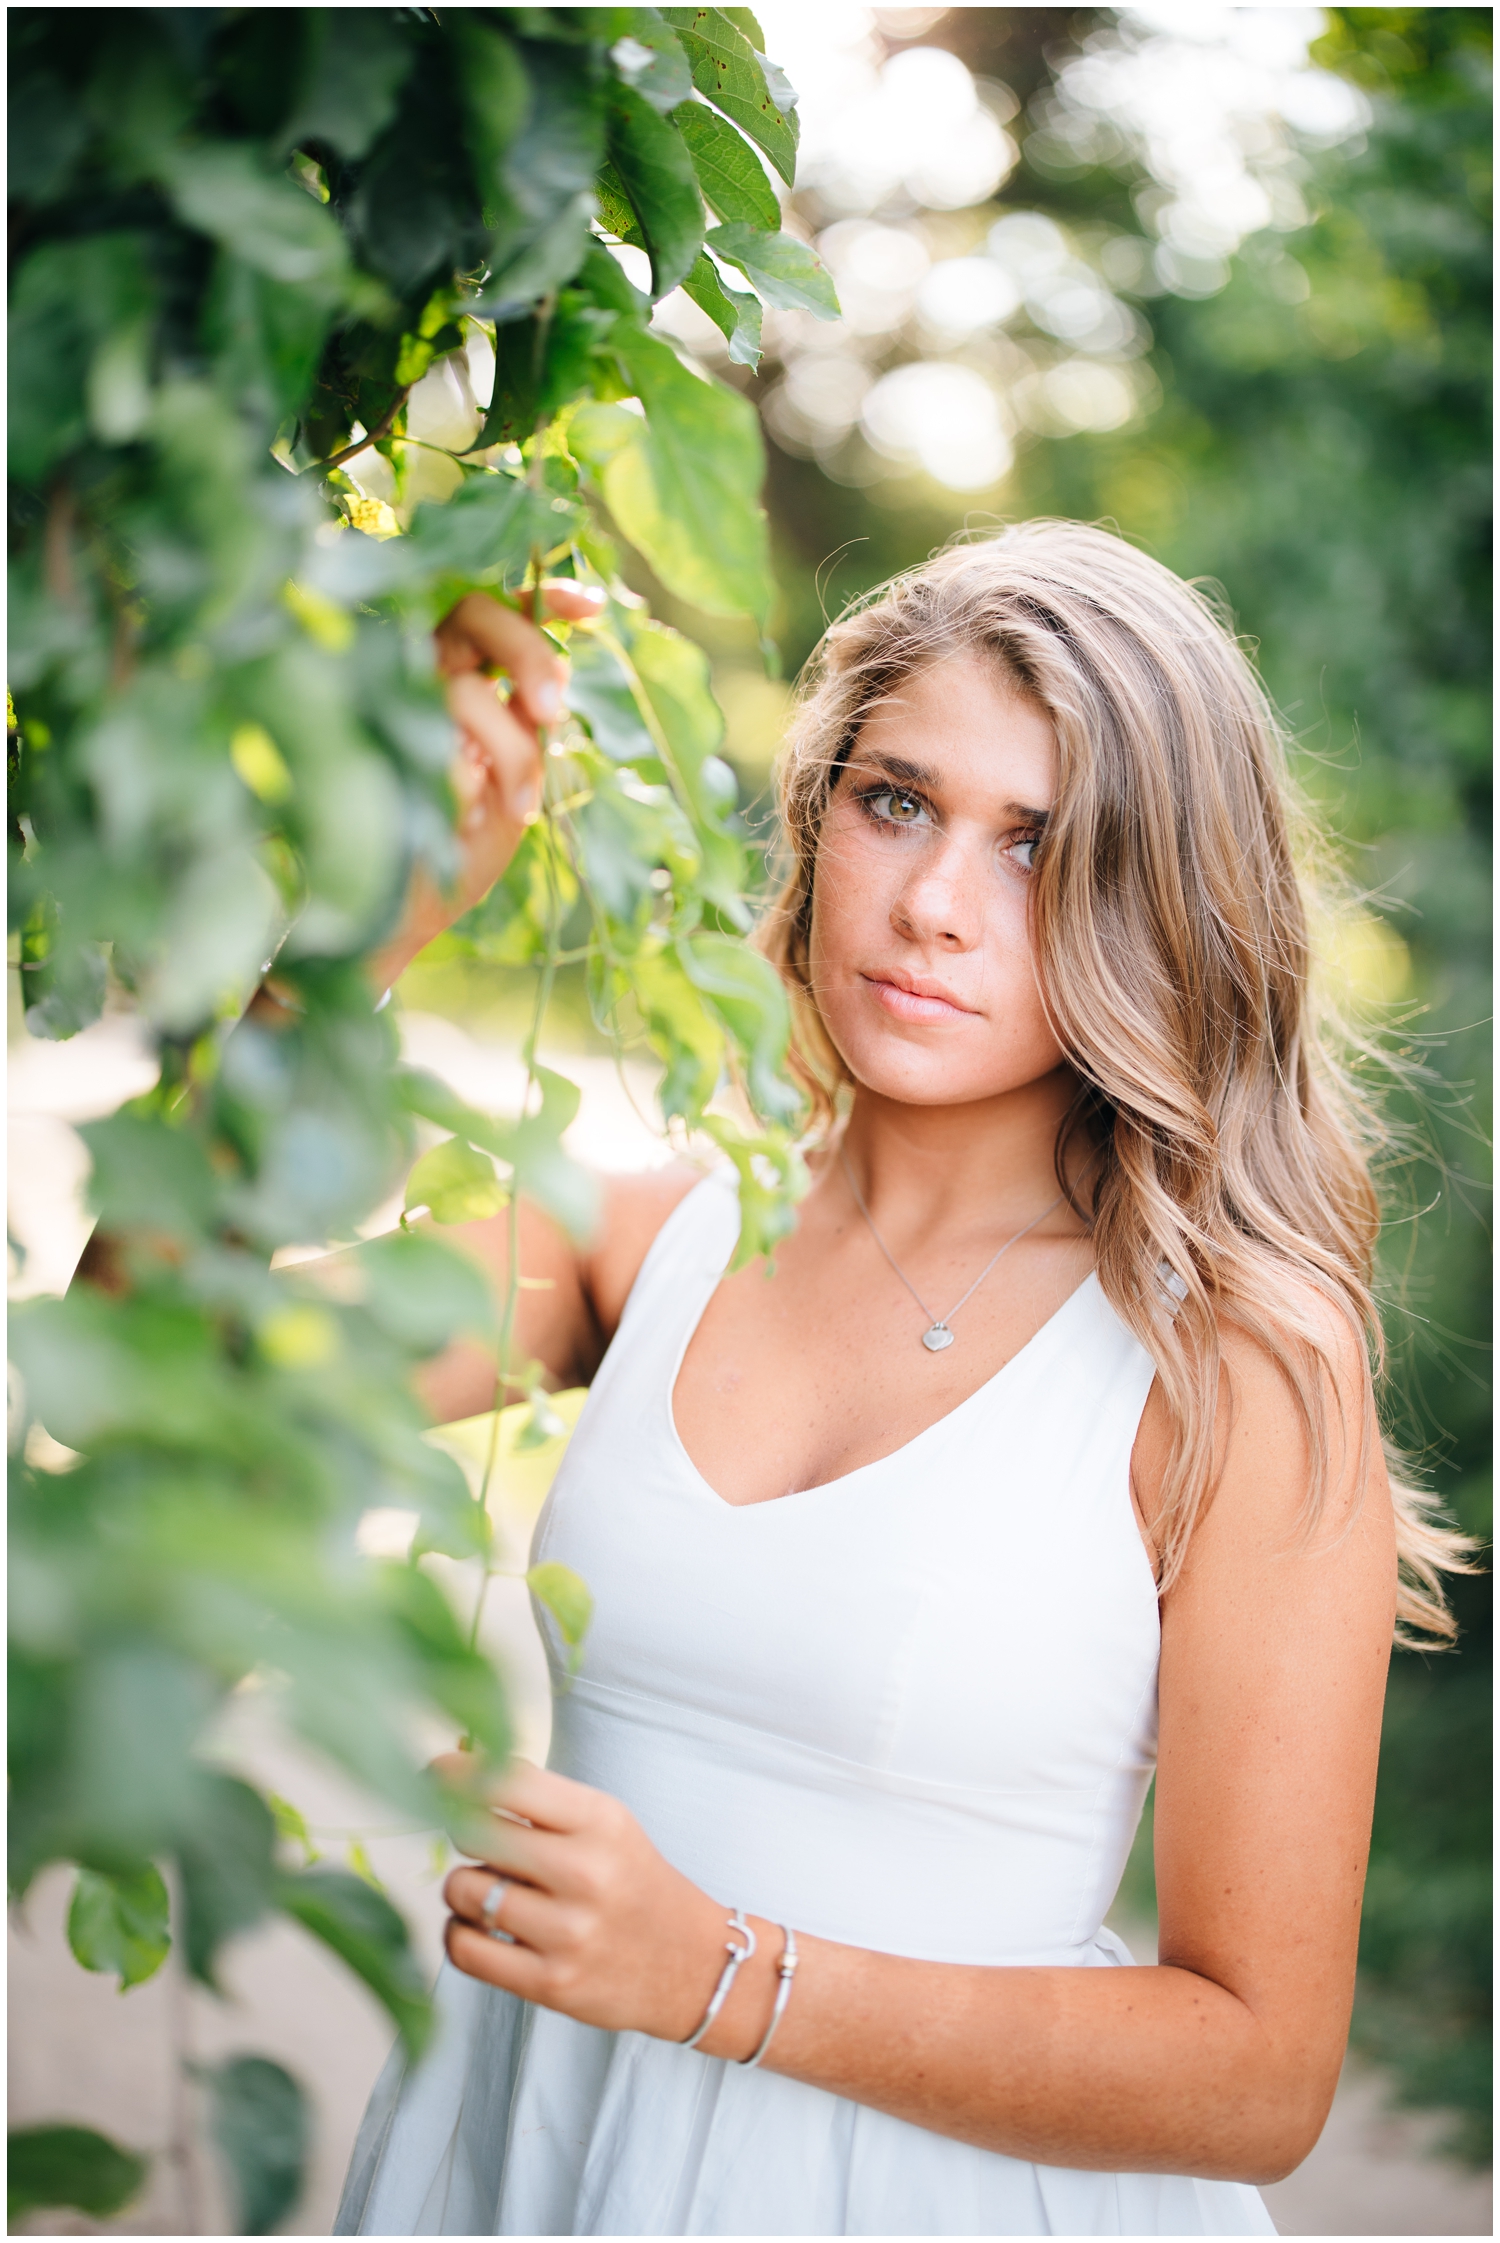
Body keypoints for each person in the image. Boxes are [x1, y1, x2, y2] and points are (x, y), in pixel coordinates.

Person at [336, 523, 1465, 2238]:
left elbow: (1261, 2077)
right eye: (897, 801)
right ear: (816, 815)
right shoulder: (645, 1238)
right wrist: (344, 947)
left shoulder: (1234, 1377)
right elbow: (136, 1370)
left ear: (1162, 898)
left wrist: (718, 1975)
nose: (936, 902)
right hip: (531, 2150)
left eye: (1039, 843)